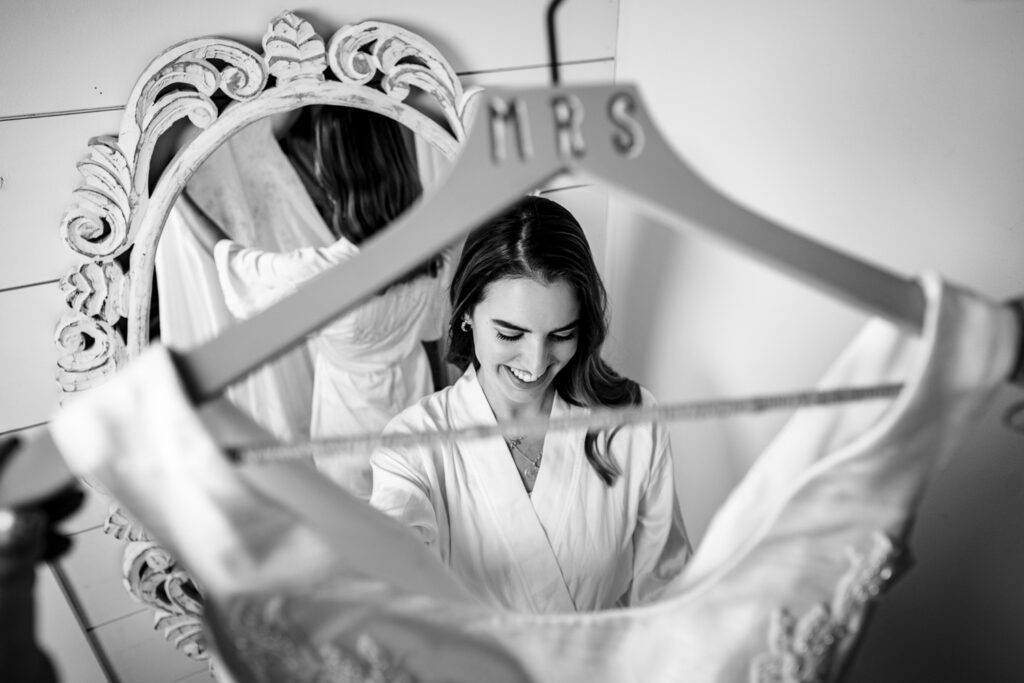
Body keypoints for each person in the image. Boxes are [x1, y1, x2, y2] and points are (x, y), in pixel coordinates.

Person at [369, 195, 692, 614]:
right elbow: (389, 559)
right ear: (467, 314)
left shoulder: (631, 423)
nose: (536, 363)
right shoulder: (413, 443)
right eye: (510, 334)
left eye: (561, 335)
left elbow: (667, 591)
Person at [182, 106, 451, 498]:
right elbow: (432, 331)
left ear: (336, 174)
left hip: (350, 428)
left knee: (364, 521)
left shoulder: (328, 273)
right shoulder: (431, 246)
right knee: (419, 503)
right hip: (415, 402)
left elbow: (234, 262)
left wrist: (174, 198)